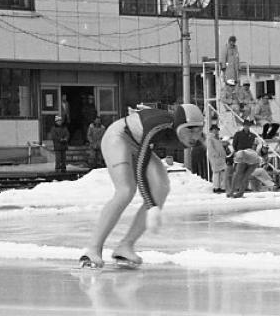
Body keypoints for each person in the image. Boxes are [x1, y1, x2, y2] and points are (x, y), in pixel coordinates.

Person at [79, 104, 205, 269]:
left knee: (161, 187)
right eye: (189, 130)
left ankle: (126, 246)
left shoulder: (197, 137)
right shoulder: (156, 127)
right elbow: (140, 169)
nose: (194, 136)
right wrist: (151, 206)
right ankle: (92, 250)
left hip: (137, 144)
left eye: (198, 130)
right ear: (178, 125)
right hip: (118, 137)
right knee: (126, 190)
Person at [229, 119, 260, 198]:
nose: (247, 127)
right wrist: (238, 153)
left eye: (248, 125)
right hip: (242, 156)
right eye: (246, 125)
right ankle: (232, 191)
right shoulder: (238, 134)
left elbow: (255, 146)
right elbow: (234, 145)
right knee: (237, 174)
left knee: (245, 176)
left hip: (250, 157)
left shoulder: (253, 136)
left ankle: (241, 192)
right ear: (243, 126)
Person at [206, 125, 227, 194]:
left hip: (220, 157)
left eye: (217, 130)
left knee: (222, 173)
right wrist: (216, 154)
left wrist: (223, 153)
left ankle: (221, 187)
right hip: (215, 158)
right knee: (216, 172)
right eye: (215, 129)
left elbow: (220, 147)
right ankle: (216, 187)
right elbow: (210, 148)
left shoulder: (216, 137)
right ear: (211, 130)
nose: (216, 131)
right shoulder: (210, 138)